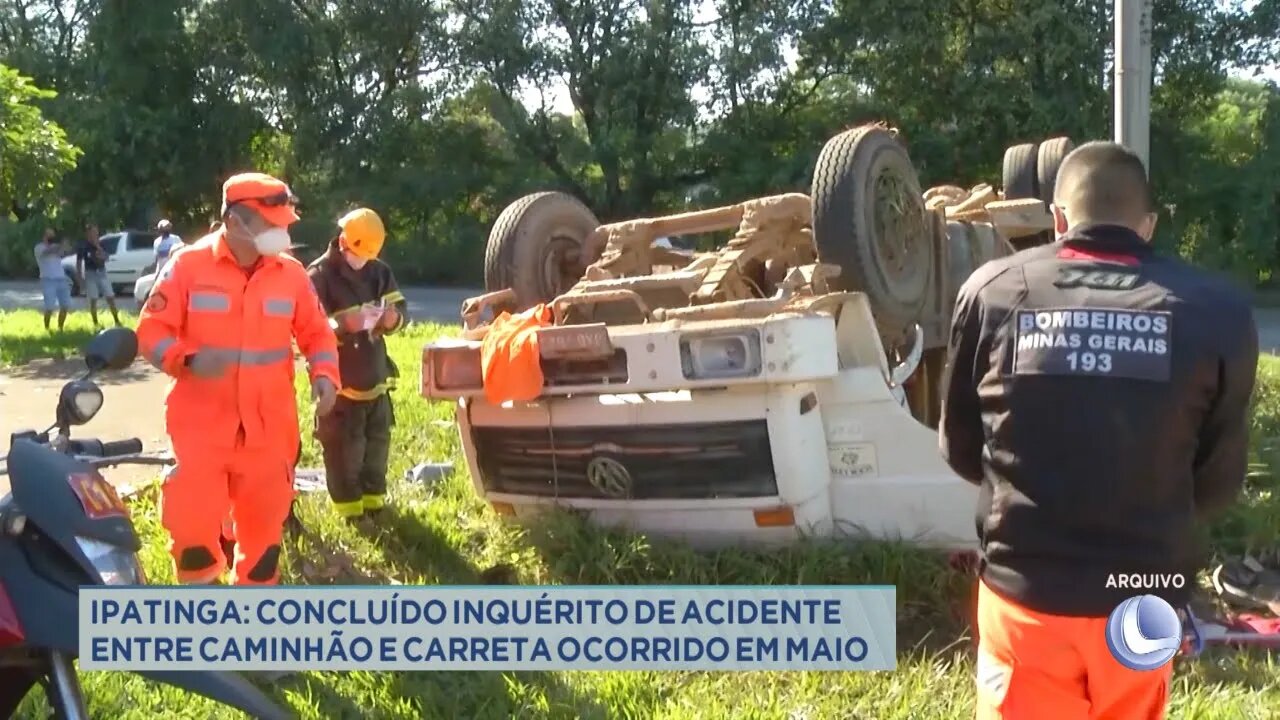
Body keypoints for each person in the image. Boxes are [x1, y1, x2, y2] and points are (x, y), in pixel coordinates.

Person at [939, 141, 1258, 720]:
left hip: (1026, 589)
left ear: (1058, 219)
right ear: (1149, 225)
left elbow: (960, 449)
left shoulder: (991, 292)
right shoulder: (1220, 313)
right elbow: (1216, 484)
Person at [136, 172, 341, 586]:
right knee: (193, 530)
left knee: (264, 538)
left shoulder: (293, 276)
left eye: (283, 224)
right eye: (271, 224)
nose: (281, 232)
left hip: (268, 430)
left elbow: (317, 333)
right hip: (201, 428)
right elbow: (151, 332)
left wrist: (325, 375)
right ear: (234, 221)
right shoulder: (188, 267)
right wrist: (186, 359)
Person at [307, 208, 407, 524]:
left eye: (367, 255)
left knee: (376, 448)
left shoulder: (378, 271)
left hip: (375, 377)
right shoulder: (318, 276)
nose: (361, 261)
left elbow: (400, 308)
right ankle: (350, 515)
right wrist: (342, 324)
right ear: (342, 242)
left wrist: (394, 319)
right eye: (357, 253)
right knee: (343, 453)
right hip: (341, 384)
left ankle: (374, 506)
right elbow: (308, 327)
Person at [76, 223, 121, 328]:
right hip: (90, 273)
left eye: (96, 232)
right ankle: (95, 322)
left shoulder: (101, 243)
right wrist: (79, 277)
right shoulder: (83, 246)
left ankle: (116, 320)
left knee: (110, 296)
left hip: (102, 272)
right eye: (92, 232)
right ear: (87, 233)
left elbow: (106, 257)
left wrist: (98, 247)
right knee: (93, 299)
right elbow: (79, 262)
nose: (95, 234)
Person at [34, 228, 71, 331]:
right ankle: (47, 328)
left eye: (52, 235)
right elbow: (47, 252)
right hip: (48, 280)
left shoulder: (56, 246)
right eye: (49, 235)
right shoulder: (39, 247)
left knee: (65, 305)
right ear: (44, 236)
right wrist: (60, 245)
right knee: (49, 307)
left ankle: (60, 328)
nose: (51, 237)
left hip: (61, 278)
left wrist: (65, 245)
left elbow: (66, 251)